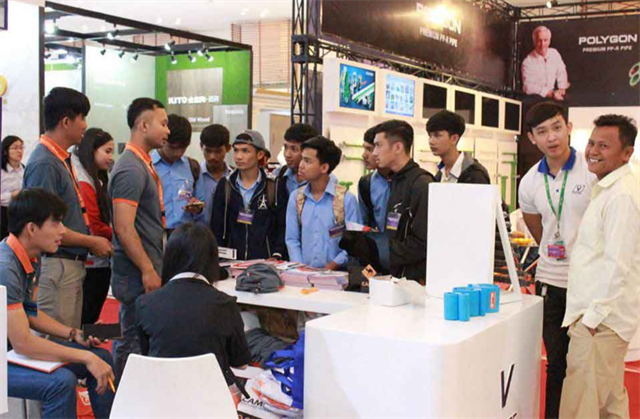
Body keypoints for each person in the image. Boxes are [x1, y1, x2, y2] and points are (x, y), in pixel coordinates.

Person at [1, 188, 115, 419]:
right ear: (31, 229)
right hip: (9, 354)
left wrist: (74, 334)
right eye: (56, 224)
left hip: (10, 352)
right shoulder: (5, 267)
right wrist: (86, 357)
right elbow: (23, 343)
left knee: (102, 358)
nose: (62, 230)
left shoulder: (31, 257)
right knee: (61, 383)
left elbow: (31, 314)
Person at [518, 102, 595, 419]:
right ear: (532, 138)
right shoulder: (529, 182)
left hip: (589, 284)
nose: (551, 137)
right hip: (550, 283)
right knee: (556, 364)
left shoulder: (591, 170)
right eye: (542, 131)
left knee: (588, 365)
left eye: (557, 127)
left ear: (569, 128)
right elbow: (537, 228)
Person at [560, 115, 639, 419]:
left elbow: (618, 264)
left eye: (604, 146)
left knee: (580, 405)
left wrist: (592, 319)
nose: (593, 151)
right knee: (609, 403)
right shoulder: (609, 188)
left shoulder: (621, 195)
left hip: (600, 322)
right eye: (591, 143)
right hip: (603, 318)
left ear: (627, 153)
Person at [23, 87, 113, 329]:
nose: (85, 125)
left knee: (69, 335)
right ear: (66, 121)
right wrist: (91, 241)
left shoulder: (59, 159)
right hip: (56, 265)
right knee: (54, 338)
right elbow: (44, 229)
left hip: (68, 265)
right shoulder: (45, 163)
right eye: (82, 118)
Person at [136, 223, 250, 387]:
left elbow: (147, 355)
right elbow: (241, 364)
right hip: (211, 395)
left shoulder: (145, 304)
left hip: (161, 393)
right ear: (212, 260)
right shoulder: (225, 305)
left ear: (169, 257)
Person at [108, 97, 170, 379]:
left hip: (144, 270)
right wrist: (147, 268)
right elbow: (124, 227)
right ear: (144, 125)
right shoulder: (130, 168)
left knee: (138, 340)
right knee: (131, 342)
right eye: (163, 124)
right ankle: (122, 397)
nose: (168, 131)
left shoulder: (142, 163)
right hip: (135, 274)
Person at [286, 136, 361, 270]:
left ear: (324, 167)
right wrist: (300, 267)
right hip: (303, 274)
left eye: (307, 161)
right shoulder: (296, 198)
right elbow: (292, 239)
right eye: (302, 159)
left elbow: (355, 242)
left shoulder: (346, 199)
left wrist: (330, 267)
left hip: (338, 275)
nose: (301, 165)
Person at [211, 130, 288, 261]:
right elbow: (217, 226)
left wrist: (277, 254)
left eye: (245, 151)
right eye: (236, 150)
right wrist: (219, 257)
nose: (238, 156)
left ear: (260, 154)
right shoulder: (225, 185)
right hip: (231, 262)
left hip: (266, 262)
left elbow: (282, 226)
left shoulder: (274, 186)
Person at [373, 120, 434, 283]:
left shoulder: (422, 184)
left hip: (414, 283)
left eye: (378, 145)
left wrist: (380, 252)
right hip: (396, 278)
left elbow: (423, 243)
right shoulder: (396, 180)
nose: (374, 152)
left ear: (398, 147)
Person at [71, 128, 115, 325]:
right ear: (91, 150)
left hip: (98, 258)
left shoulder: (94, 177)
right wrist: (122, 234)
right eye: (107, 151)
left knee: (91, 313)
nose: (110, 157)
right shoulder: (83, 180)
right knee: (87, 314)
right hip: (92, 259)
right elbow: (94, 224)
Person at [151, 114, 201, 235]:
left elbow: (200, 203)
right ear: (163, 140)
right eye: (173, 147)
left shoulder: (192, 166)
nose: (178, 153)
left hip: (186, 234)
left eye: (183, 148)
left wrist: (196, 206)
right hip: (156, 234)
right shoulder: (147, 165)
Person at [427, 110, 490, 184]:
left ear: (454, 138)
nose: (431, 141)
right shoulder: (440, 173)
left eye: (437, 136)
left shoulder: (476, 175)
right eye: (430, 136)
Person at [194, 124, 232, 226]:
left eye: (218, 151)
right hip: (199, 233)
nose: (212, 157)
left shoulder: (235, 178)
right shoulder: (193, 176)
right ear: (201, 146)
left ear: (228, 148)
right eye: (208, 151)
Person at [522, 26, 570, 101]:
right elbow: (528, 87)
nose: (542, 44)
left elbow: (561, 72)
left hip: (554, 95)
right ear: (534, 42)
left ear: (549, 41)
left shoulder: (554, 53)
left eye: (545, 40)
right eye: (539, 40)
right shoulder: (527, 62)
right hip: (536, 98)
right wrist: (551, 94)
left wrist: (562, 88)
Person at [358, 124, 391, 232]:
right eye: (364, 148)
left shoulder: (408, 182)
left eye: (369, 149)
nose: (364, 155)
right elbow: (363, 222)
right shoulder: (365, 183)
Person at [275, 123, 319, 196]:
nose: (287, 154)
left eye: (293, 149)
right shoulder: (278, 175)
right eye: (285, 147)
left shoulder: (322, 180)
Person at [1, 135, 25, 240]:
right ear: (5, 151)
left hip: (21, 212)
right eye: (15, 148)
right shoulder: (2, 172)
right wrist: (12, 195)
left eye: (21, 147)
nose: (19, 151)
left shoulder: (24, 169)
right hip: (4, 214)